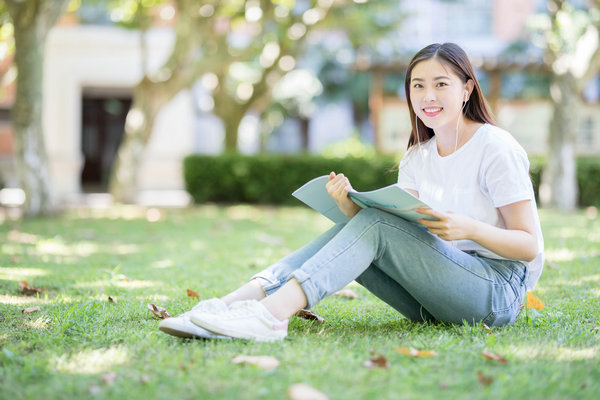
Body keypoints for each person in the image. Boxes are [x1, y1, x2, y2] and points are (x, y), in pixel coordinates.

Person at [158, 42, 544, 342]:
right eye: (418, 85)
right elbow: (389, 233)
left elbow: (528, 246)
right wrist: (346, 204)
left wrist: (470, 229)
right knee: (362, 225)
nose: (428, 96)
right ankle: (228, 307)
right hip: (435, 296)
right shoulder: (417, 155)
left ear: (466, 90)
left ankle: (269, 317)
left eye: (441, 84)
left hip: (496, 292)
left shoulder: (495, 147)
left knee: (375, 225)